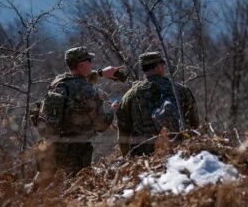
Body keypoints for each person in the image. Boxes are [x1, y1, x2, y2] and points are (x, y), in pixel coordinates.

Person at [34, 46, 119, 182]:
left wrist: (101, 73)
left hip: (49, 146)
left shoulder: (58, 82)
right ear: (82, 64)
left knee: (41, 188)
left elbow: (77, 82)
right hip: (74, 151)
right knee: (73, 189)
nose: (92, 63)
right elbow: (102, 125)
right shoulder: (86, 91)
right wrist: (113, 110)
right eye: (89, 60)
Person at [116, 51, 199, 156]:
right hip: (179, 152)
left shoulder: (129, 96)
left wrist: (126, 156)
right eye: (163, 65)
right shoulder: (180, 89)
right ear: (159, 67)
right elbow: (194, 123)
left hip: (145, 158)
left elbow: (123, 131)